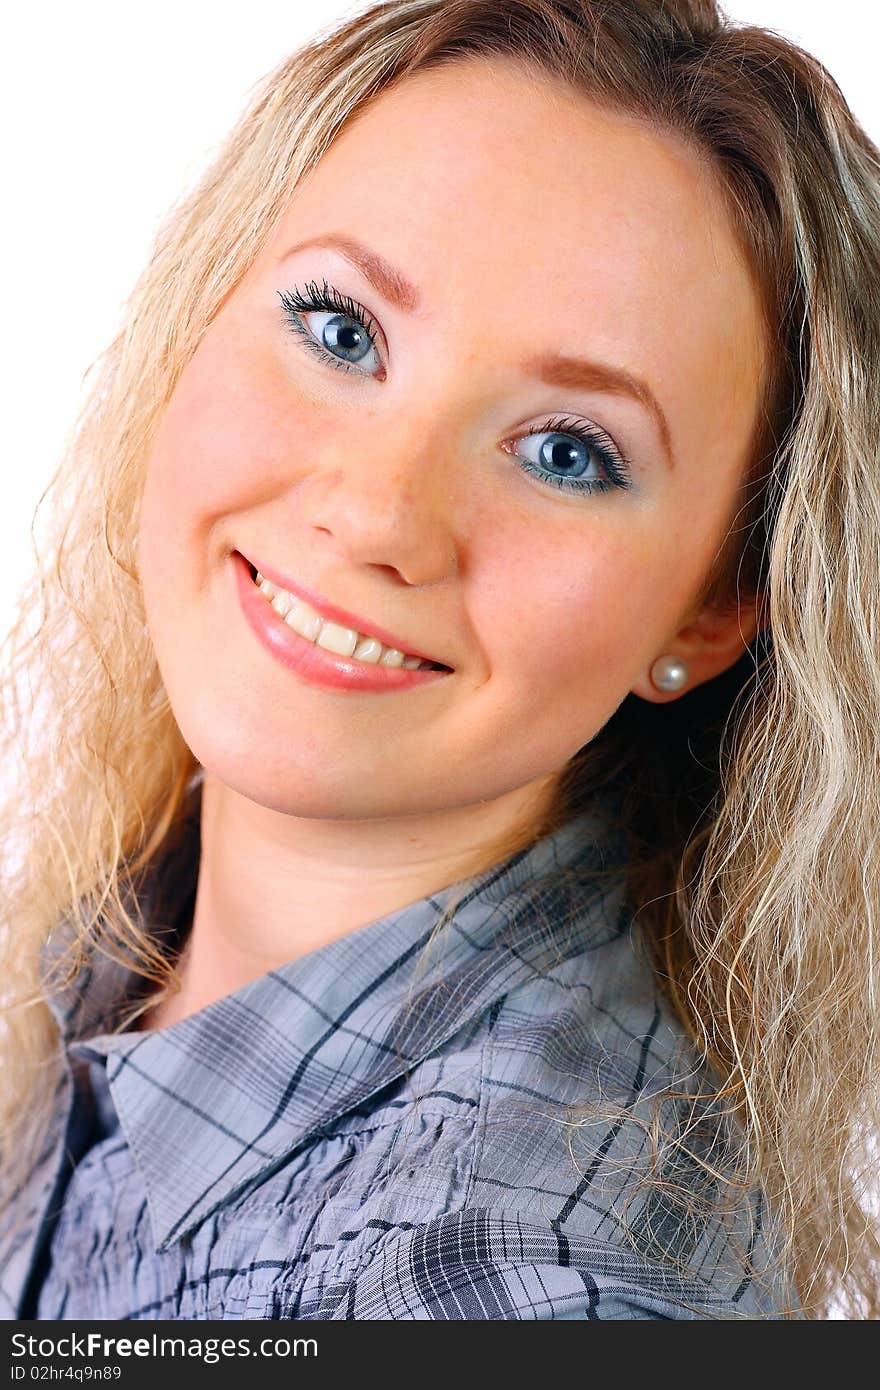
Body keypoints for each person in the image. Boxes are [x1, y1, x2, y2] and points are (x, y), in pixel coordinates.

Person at [1, 0, 878, 1321]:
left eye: (567, 451)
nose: (377, 514)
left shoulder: (537, 1291)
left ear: (708, 615)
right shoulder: (118, 939)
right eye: (341, 330)